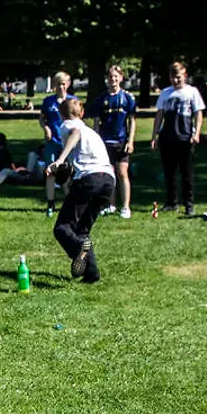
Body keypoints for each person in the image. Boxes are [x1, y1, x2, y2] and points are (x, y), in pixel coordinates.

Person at [45, 98, 114, 283]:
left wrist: (59, 160)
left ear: (61, 114)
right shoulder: (91, 132)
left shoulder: (68, 125)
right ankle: (91, 274)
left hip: (89, 178)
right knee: (82, 230)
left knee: (62, 228)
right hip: (108, 180)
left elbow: (75, 133)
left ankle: (79, 250)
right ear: (82, 113)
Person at [151, 61, 205, 215]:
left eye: (179, 77)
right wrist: (154, 135)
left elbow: (198, 113)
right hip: (168, 136)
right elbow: (159, 114)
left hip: (185, 136)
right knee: (169, 172)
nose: (176, 80)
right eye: (173, 77)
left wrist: (197, 133)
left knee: (186, 173)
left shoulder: (192, 92)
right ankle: (171, 202)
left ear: (185, 76)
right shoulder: (165, 93)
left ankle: (189, 204)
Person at [90, 64, 136, 219]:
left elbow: (132, 121)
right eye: (110, 77)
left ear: (121, 78)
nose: (113, 79)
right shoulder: (100, 99)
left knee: (122, 172)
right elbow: (96, 123)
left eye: (116, 76)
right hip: (105, 142)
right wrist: (96, 142)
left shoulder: (127, 98)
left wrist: (130, 141)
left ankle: (126, 206)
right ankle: (111, 204)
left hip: (122, 141)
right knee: (109, 175)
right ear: (107, 79)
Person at [38, 71, 77, 214]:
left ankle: (70, 203)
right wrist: (46, 128)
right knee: (50, 172)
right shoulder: (48, 101)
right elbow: (42, 118)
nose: (61, 87)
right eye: (58, 84)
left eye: (63, 84)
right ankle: (50, 203)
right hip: (52, 141)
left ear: (68, 84)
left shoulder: (72, 100)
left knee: (67, 173)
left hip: (67, 143)